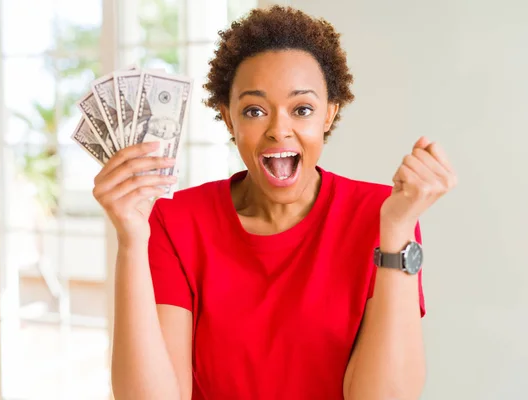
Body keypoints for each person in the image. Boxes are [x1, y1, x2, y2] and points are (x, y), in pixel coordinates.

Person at [93, 6, 457, 400]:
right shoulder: (175, 221)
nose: (278, 129)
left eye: (302, 110)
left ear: (328, 115)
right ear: (229, 119)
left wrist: (399, 231)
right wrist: (131, 241)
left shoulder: (382, 216)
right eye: (254, 111)